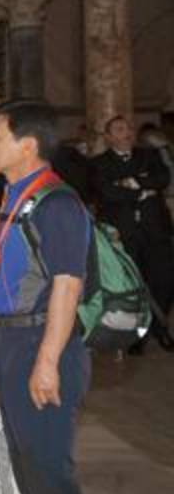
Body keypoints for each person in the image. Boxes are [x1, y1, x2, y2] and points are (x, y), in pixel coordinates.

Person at [0, 101, 94, 494]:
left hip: (41, 344)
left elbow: (68, 286)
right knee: (29, 467)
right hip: (12, 345)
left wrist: (47, 361)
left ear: (27, 145)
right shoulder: (14, 198)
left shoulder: (58, 203)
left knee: (50, 472)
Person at [90, 115, 173, 352]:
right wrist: (143, 191)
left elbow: (163, 178)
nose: (126, 133)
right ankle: (138, 335)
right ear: (108, 137)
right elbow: (107, 193)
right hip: (123, 233)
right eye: (119, 129)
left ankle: (161, 328)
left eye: (129, 128)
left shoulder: (150, 156)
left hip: (155, 230)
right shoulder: (98, 163)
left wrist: (132, 182)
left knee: (164, 279)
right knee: (132, 286)